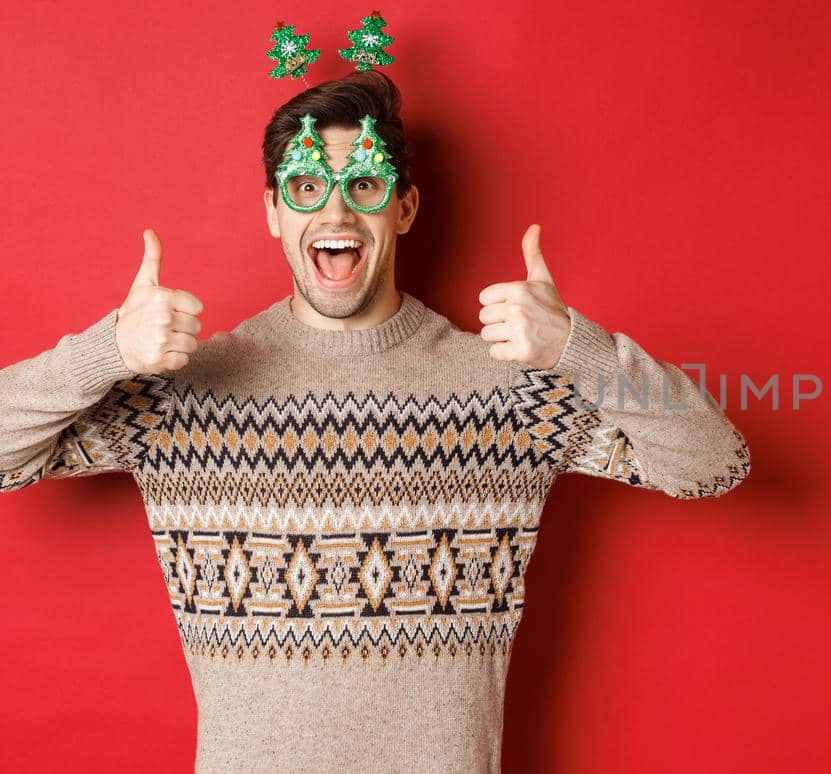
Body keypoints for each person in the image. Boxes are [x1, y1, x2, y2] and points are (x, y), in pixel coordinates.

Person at [0, 70, 750, 772]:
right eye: (304, 187)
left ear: (404, 206)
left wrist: (583, 352)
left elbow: (713, 463)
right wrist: (103, 355)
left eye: (363, 184)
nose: (334, 212)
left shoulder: (508, 391)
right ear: (271, 210)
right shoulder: (178, 394)